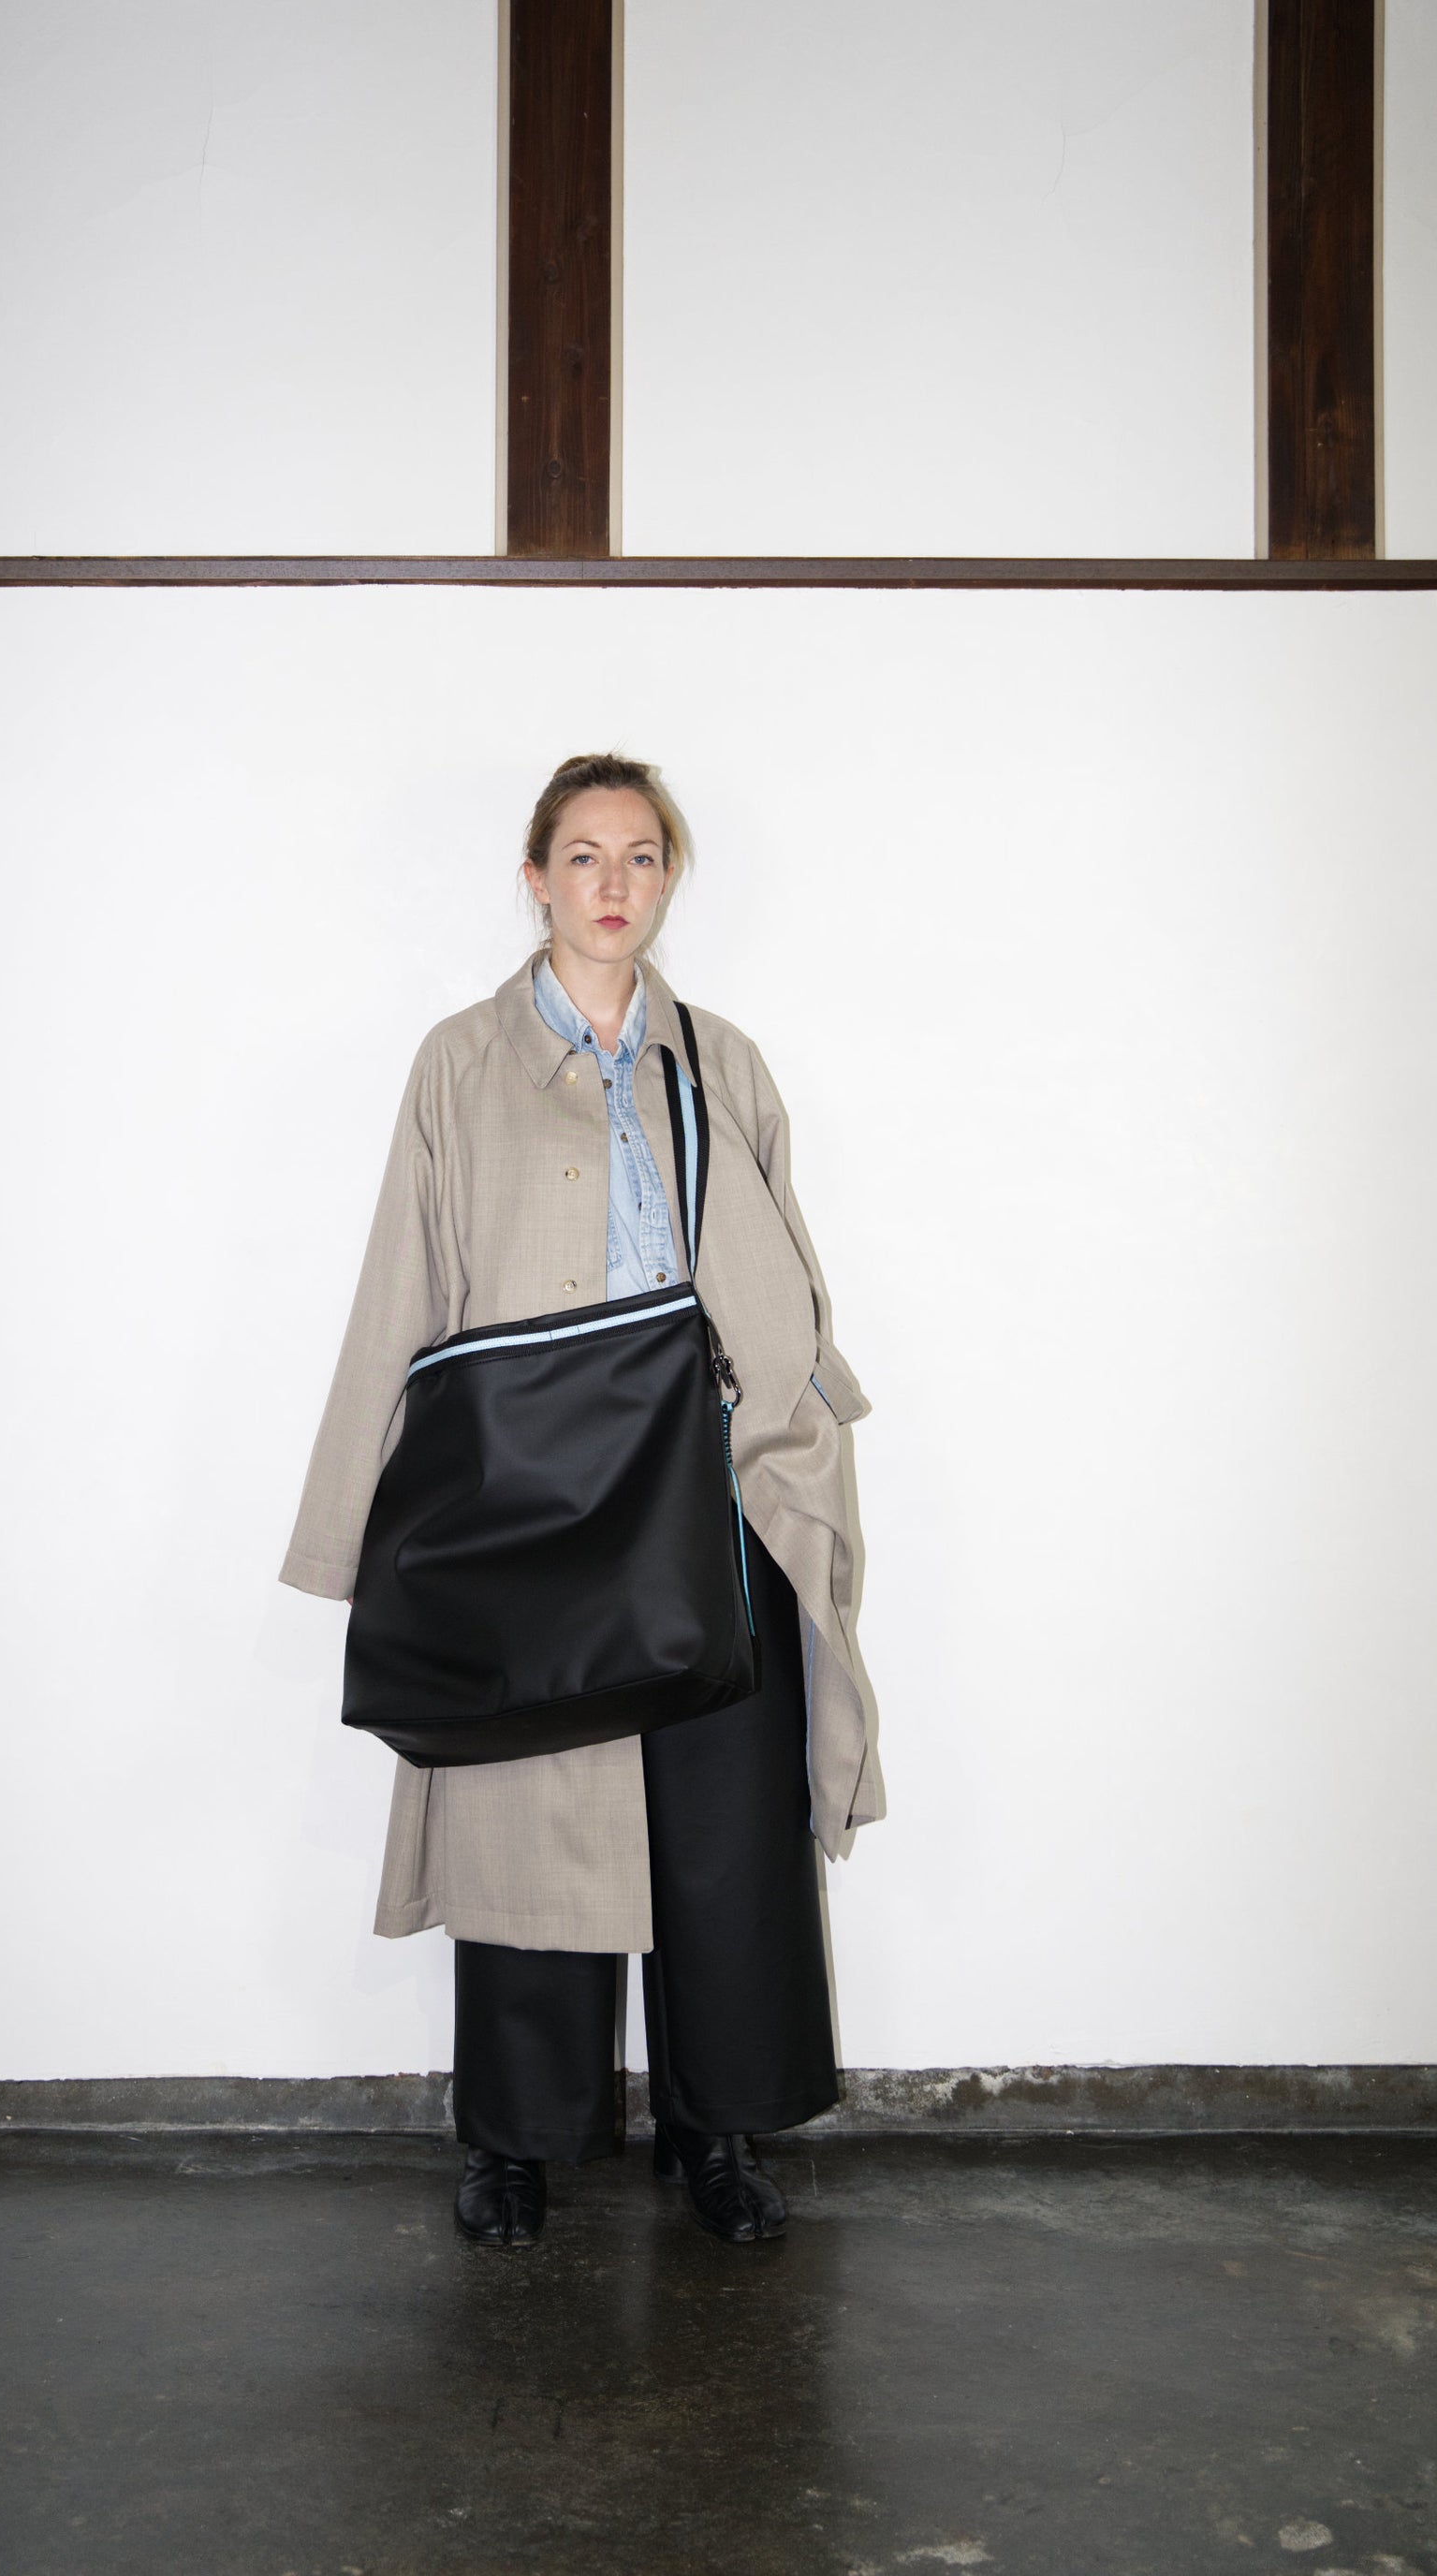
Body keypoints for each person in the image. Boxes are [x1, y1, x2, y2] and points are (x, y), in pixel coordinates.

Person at [280, 754, 884, 2247]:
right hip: (535, 1494)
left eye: (640, 858)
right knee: (526, 1808)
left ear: (667, 879)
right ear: (534, 877)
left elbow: (781, 1264)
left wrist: (801, 1426)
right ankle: (515, 2140)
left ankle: (716, 2128)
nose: (612, 886)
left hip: (702, 1479)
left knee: (721, 1821)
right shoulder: (459, 1064)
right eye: (582, 857)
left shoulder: (718, 1059)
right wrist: (359, 1523)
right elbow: (400, 1283)